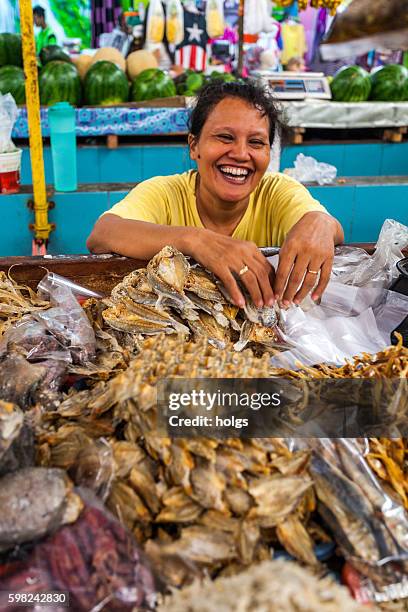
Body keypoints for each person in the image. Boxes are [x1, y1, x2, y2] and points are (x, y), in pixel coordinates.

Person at [87, 80, 343, 309]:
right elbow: (103, 234)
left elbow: (327, 228)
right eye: (224, 137)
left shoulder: (276, 191)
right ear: (194, 146)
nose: (241, 154)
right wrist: (196, 241)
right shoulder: (165, 192)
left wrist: (320, 222)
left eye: (256, 142)